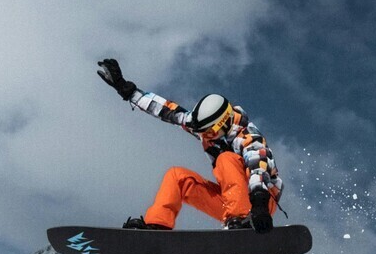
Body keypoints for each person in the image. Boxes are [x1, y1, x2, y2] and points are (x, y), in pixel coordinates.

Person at [97, 58, 282, 233]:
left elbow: (259, 169)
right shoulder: (207, 129)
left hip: (261, 204)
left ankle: (242, 220)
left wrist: (258, 204)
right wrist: (128, 91)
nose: (205, 137)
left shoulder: (249, 137)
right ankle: (158, 225)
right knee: (177, 176)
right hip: (230, 204)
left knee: (226, 158)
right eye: (202, 133)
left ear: (224, 123)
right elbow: (168, 112)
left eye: (209, 133)